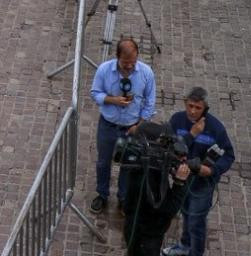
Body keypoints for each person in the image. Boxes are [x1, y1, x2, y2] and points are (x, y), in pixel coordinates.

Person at [162, 88, 236, 256]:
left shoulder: (216, 128)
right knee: (185, 215)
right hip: (181, 180)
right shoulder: (177, 120)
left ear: (206, 109)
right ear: (185, 103)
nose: (193, 111)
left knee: (196, 221)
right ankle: (184, 246)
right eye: (190, 106)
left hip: (202, 185)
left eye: (198, 108)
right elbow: (169, 147)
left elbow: (229, 155)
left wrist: (211, 170)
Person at [90, 37, 157, 213]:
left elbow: (150, 101)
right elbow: (95, 93)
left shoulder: (146, 73)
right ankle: (102, 194)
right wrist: (112, 100)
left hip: (132, 128)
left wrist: (140, 124)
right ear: (117, 57)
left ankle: (124, 198)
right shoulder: (104, 70)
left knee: (129, 163)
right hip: (108, 125)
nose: (129, 66)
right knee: (103, 162)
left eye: (133, 62)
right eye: (125, 62)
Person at [121, 123, 193, 256]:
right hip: (147, 238)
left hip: (134, 227)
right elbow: (169, 208)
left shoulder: (140, 162)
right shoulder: (148, 178)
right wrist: (180, 182)